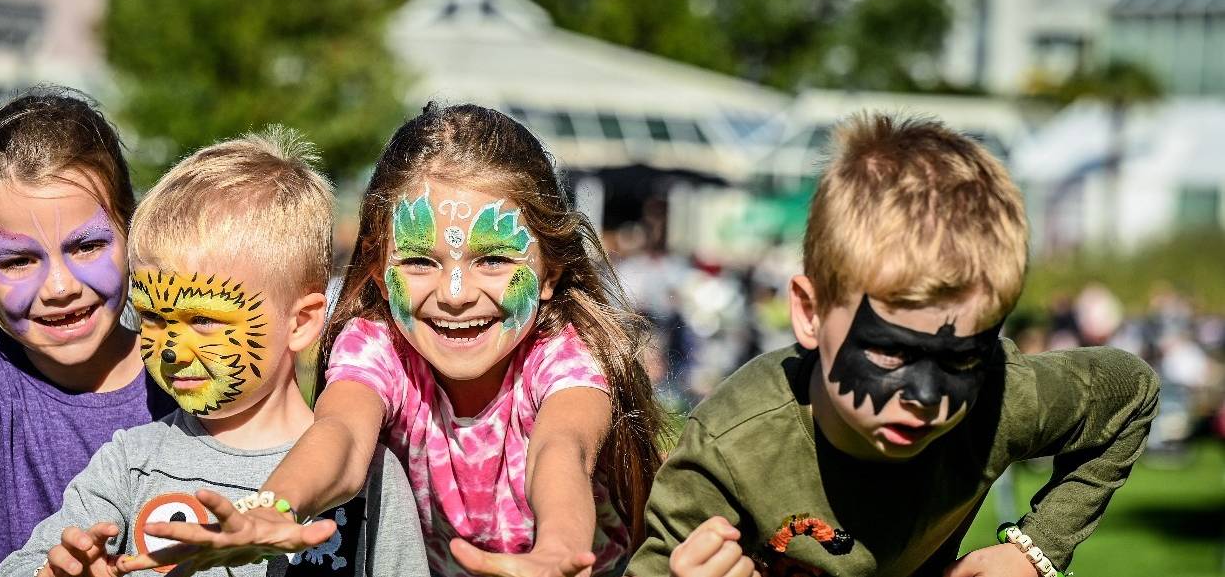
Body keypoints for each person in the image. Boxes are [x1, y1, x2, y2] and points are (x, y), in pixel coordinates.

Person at [136, 103, 667, 577]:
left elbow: (561, 450)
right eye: (418, 261)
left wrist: (556, 551)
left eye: (493, 259)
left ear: (549, 271)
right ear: (378, 265)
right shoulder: (377, 349)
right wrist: (275, 508)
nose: (454, 294)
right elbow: (340, 435)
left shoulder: (564, 357)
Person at [630, 113, 1160, 577]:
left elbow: (1131, 392)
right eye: (891, 352)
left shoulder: (999, 399)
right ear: (810, 313)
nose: (927, 395)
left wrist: (1036, 548)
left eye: (961, 357)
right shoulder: (731, 448)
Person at [0, 129, 429, 577]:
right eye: (153, 318)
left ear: (300, 322)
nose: (171, 349)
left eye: (203, 320)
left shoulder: (371, 478)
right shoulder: (132, 463)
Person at [0, 88, 175, 577]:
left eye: (86, 246)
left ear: (133, 231)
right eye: (19, 260)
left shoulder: (183, 373)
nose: (60, 287)